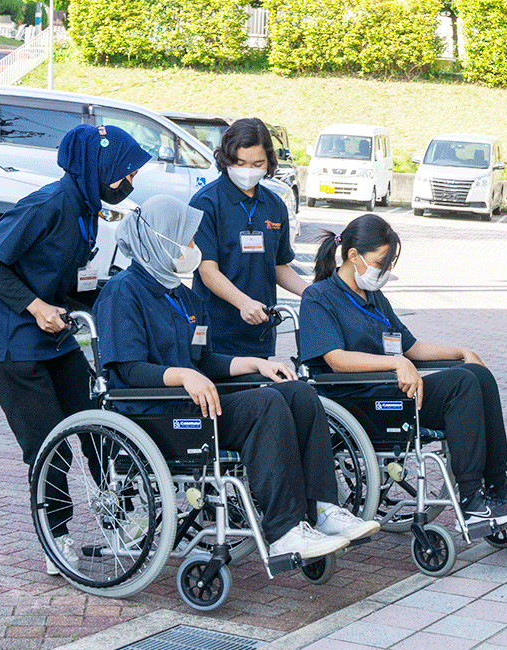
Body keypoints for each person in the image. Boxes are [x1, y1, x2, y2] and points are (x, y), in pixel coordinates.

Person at [95, 195, 380, 561]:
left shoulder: (183, 297)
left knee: (296, 392)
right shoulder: (123, 292)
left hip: (197, 405)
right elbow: (128, 370)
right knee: (266, 404)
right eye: (189, 240)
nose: (194, 248)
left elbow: (204, 360)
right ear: (161, 239)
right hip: (155, 414)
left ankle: (323, 509)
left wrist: (256, 365)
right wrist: (184, 375)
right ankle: (284, 530)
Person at [297, 214, 507, 526]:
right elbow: (336, 359)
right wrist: (395, 363)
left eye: (390, 262)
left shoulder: (375, 298)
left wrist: (462, 351)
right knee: (461, 383)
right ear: (353, 256)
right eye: (382, 261)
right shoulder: (319, 296)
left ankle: (500, 489)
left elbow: (411, 347)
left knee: (477, 375)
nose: (386, 270)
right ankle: (473, 500)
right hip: (359, 402)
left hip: (398, 396)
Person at [0, 124, 149, 576]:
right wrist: (34, 307)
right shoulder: (49, 204)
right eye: (123, 174)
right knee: (49, 445)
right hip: (13, 344)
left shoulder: (87, 207)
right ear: (97, 169)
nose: (128, 183)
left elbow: (70, 279)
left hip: (55, 339)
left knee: (99, 426)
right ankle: (59, 538)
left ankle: (123, 516)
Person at [190, 118, 306, 358]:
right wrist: (243, 302)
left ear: (269, 163)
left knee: (258, 395)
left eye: (257, 164)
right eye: (240, 163)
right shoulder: (207, 202)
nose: (248, 171)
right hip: (216, 333)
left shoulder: (274, 205)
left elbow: (279, 266)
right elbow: (207, 271)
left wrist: (313, 293)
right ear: (226, 159)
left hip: (258, 332)